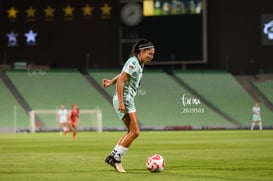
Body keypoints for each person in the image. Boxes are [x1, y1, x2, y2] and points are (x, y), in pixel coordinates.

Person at [102, 39, 155, 172]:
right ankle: (116, 160)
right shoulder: (133, 62)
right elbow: (122, 79)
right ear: (142, 52)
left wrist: (110, 82)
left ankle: (112, 156)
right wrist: (121, 101)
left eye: (153, 54)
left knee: (131, 132)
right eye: (149, 54)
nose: (151, 57)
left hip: (127, 99)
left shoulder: (138, 63)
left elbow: (121, 75)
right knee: (135, 132)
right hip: (125, 99)